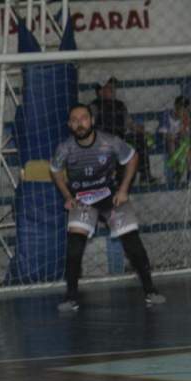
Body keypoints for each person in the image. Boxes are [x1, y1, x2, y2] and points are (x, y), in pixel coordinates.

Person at [50, 104, 165, 312]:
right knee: (74, 247)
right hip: (82, 200)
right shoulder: (64, 148)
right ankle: (71, 297)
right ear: (69, 125)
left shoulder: (109, 141)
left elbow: (133, 158)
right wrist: (67, 196)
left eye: (83, 118)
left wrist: (123, 189)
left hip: (110, 197)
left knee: (132, 241)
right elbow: (55, 170)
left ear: (91, 120)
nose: (80, 123)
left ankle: (150, 290)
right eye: (74, 120)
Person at [89, 77, 156, 185]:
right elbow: (89, 126)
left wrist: (142, 131)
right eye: (110, 88)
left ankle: (145, 176)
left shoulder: (120, 105)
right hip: (103, 142)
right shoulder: (94, 106)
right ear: (100, 91)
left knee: (139, 139)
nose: (113, 91)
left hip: (120, 139)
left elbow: (129, 123)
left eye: (114, 88)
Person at [159, 95, 190, 185]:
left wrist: (183, 133)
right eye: (182, 109)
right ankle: (176, 168)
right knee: (171, 142)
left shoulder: (185, 117)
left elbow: (185, 133)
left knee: (187, 146)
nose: (184, 112)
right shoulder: (167, 114)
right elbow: (163, 132)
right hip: (165, 138)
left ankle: (188, 173)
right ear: (176, 107)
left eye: (186, 110)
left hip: (179, 139)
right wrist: (173, 136)